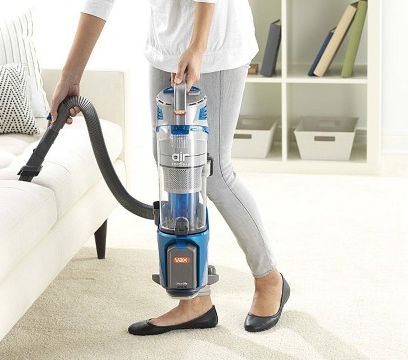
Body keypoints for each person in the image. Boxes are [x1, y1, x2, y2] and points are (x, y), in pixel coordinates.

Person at [50, 0, 290, 334]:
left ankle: (269, 280)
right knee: (174, 169)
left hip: (215, 43)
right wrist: (70, 75)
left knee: (213, 173)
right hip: (166, 45)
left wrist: (197, 46)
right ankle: (195, 300)